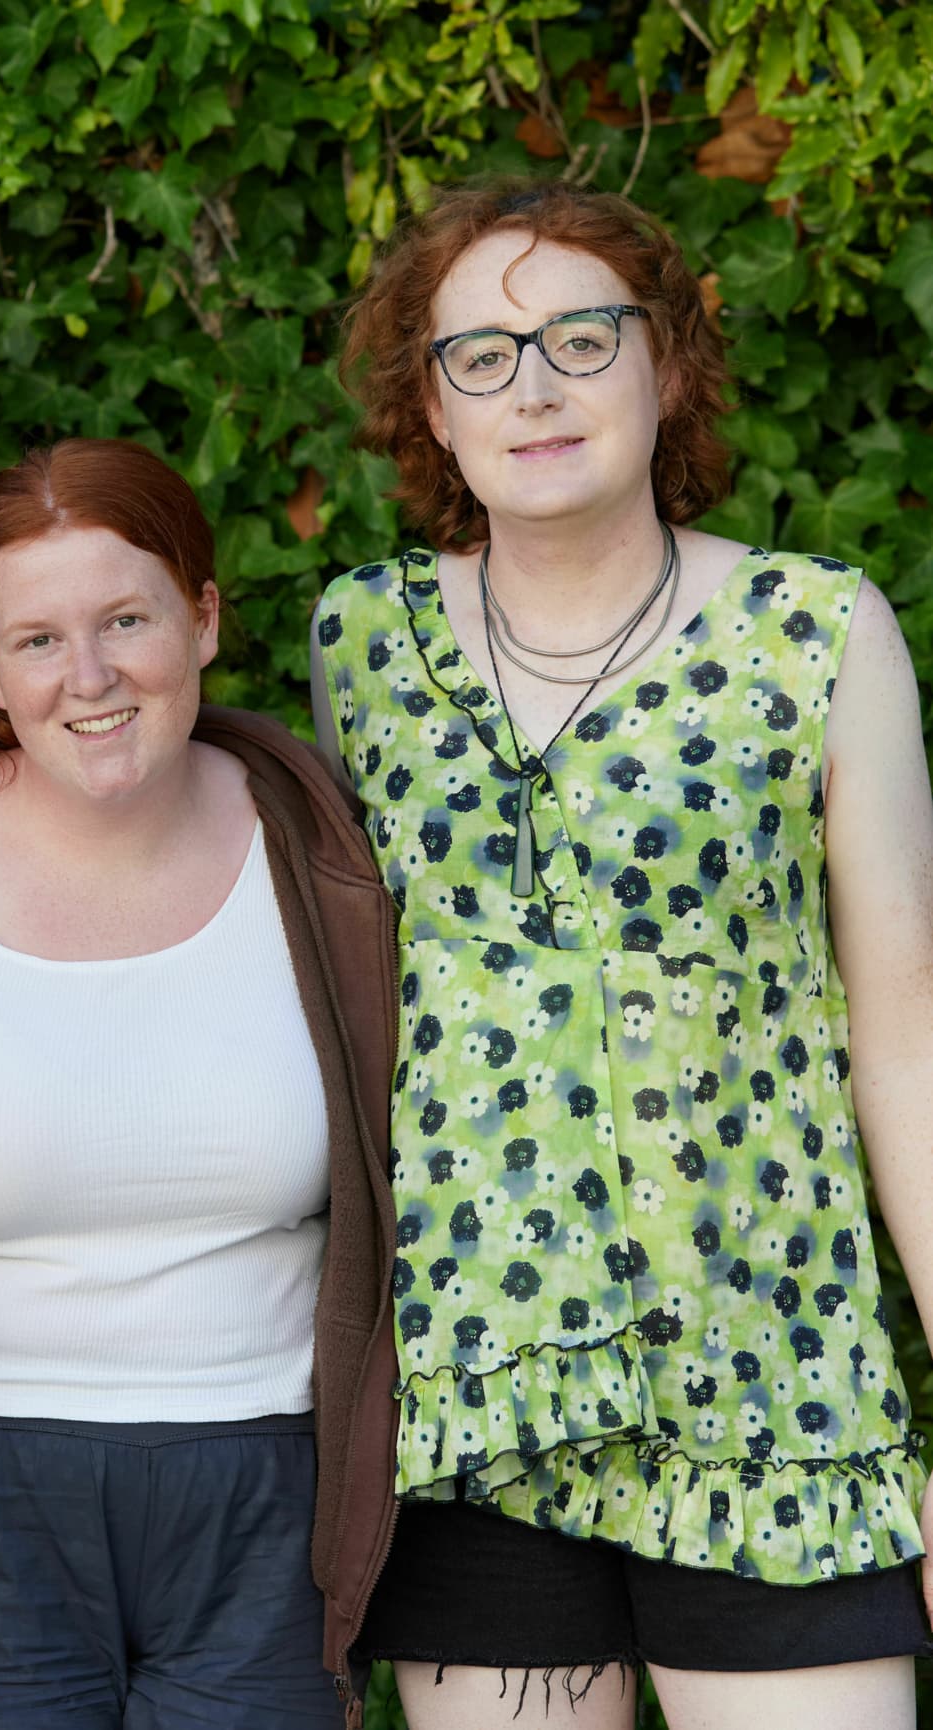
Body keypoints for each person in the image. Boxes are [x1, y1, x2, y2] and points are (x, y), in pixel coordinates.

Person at [310, 178, 933, 1729]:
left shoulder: (818, 630)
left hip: (776, 1382)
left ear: (665, 370)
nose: (534, 386)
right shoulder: (362, 648)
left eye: (582, 339)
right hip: (479, 1402)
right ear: (429, 414)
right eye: (480, 356)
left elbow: (905, 1035)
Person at [0, 437, 399, 1729]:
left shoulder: (325, 852)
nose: (89, 677)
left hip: (268, 1499)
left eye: (125, 619)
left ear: (202, 617)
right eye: (36, 639)